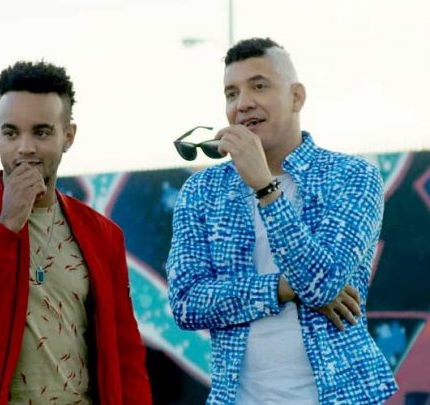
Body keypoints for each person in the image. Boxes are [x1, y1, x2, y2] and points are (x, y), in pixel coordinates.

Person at [166, 37, 397, 404]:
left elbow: (323, 285)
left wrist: (265, 187)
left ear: (296, 97)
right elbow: (186, 304)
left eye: (259, 86)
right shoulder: (202, 191)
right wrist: (281, 288)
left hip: (340, 397)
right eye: (231, 93)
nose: (243, 103)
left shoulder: (351, 176)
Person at [0, 61, 151, 404]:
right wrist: (5, 227)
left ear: (68, 136)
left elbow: (126, 352)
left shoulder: (102, 235)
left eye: (41, 132)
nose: (24, 147)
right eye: (11, 133)